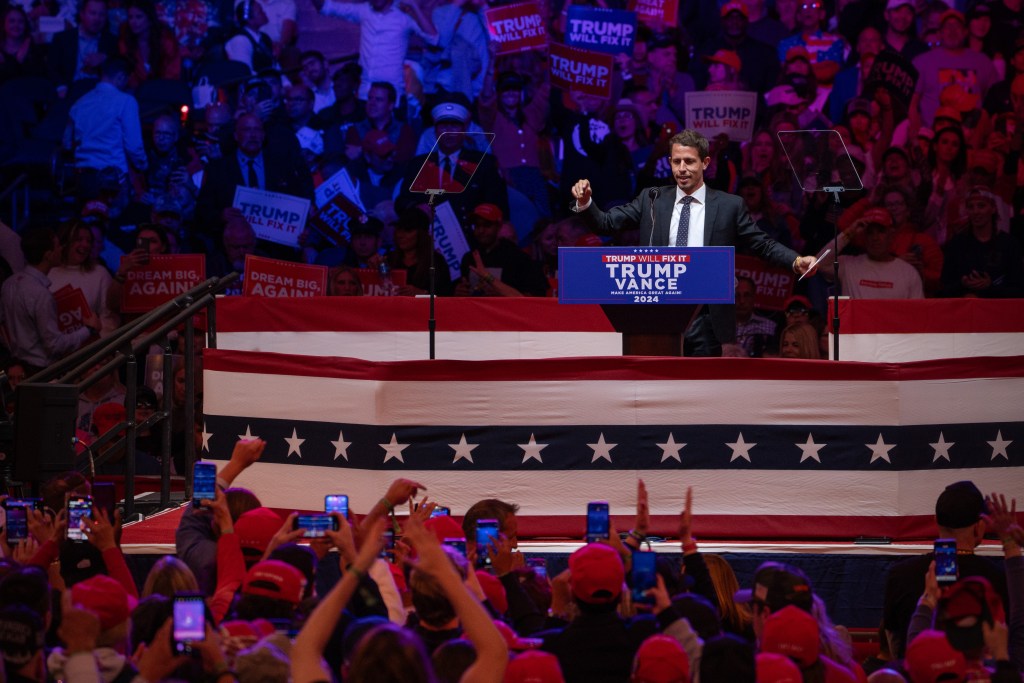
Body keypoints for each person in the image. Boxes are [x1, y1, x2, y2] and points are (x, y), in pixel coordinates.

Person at [571, 128, 818, 356]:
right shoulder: (652, 199)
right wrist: (586, 203)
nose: (682, 168)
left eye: (689, 161)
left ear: (705, 163)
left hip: (707, 315)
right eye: (676, 161)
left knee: (702, 392)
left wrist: (796, 261)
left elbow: (762, 243)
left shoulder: (728, 205)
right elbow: (606, 223)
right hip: (656, 311)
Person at [0, 227, 99, 375]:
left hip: (16, 368)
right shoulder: (41, 294)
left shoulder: (10, 283)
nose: (62, 249)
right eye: (58, 246)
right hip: (39, 372)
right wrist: (89, 329)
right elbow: (55, 345)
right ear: (48, 255)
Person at [310, 0, 438, 100]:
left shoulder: (404, 15)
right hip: (365, 93)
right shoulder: (364, 10)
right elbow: (325, 7)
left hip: (392, 94)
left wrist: (414, 6)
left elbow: (434, 38)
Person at [65, 57, 148, 207]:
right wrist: (143, 167)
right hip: (112, 181)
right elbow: (134, 146)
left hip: (82, 179)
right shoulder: (126, 102)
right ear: (121, 77)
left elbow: (67, 142)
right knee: (112, 226)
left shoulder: (79, 104)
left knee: (86, 226)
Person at [831, 207, 925, 299]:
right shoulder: (848, 265)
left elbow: (917, 312)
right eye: (870, 232)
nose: (875, 238)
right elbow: (819, 263)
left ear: (891, 235)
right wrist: (850, 232)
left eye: (881, 232)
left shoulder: (909, 273)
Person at [117, 0, 180, 88]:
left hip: (164, 91)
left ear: (150, 19)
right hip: (135, 93)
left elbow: (172, 73)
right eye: (130, 17)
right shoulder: (125, 42)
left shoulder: (166, 41)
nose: (133, 22)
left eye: (139, 17)